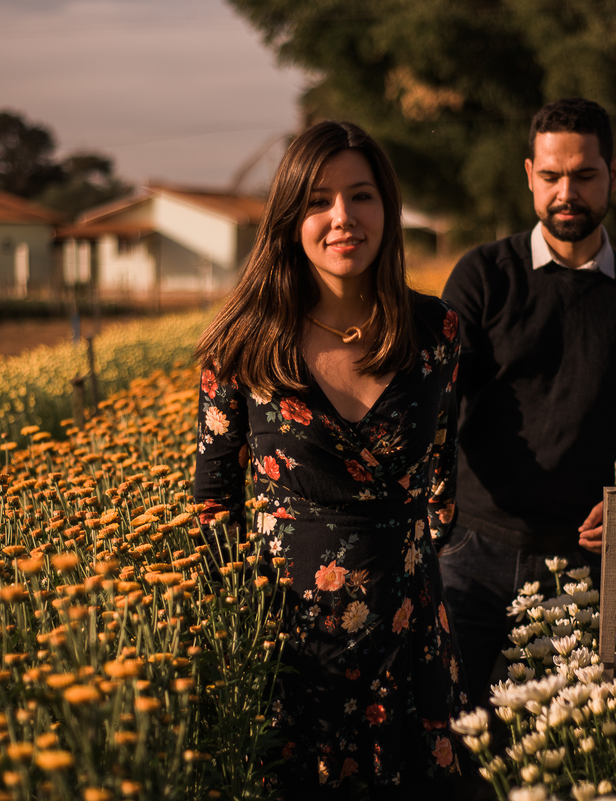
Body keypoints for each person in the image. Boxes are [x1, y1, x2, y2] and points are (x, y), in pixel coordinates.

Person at [194, 120, 465, 799]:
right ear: (290, 218)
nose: (342, 217)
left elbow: (445, 474)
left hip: (411, 642)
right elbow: (212, 503)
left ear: (388, 210)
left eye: (361, 195)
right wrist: (235, 638)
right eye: (318, 200)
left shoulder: (439, 333)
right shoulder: (242, 346)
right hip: (292, 648)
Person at [438, 97, 616, 714]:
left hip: (574, 563)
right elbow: (438, 401)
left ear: (614, 174)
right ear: (529, 174)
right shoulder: (483, 277)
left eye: (584, 175)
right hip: (471, 548)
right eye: (550, 176)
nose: (565, 192)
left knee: (557, 740)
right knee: (447, 737)